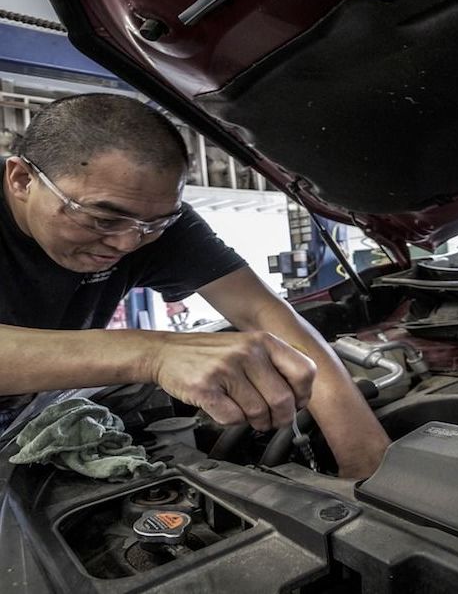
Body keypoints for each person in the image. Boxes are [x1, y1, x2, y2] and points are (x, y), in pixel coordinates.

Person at [0, 93, 390, 478]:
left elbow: (259, 310)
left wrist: (363, 456)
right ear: (21, 179)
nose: (127, 244)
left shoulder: (152, 222)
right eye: (102, 219)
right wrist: (153, 354)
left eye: (154, 225)